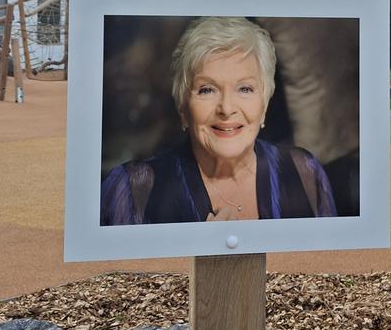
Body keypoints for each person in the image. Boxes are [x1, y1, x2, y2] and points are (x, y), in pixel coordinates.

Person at [101, 17, 337, 224]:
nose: (226, 108)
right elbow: (119, 274)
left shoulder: (304, 172)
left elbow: (326, 269)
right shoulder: (133, 190)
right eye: (207, 90)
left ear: (264, 105)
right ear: (183, 107)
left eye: (244, 89)